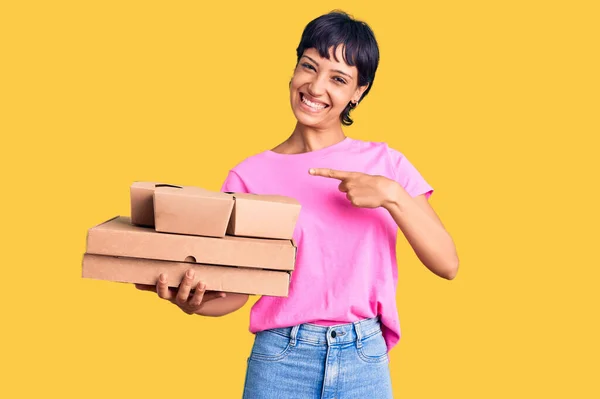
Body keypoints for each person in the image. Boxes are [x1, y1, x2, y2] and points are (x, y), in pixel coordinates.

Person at [136, 10, 459, 398]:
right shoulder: (248, 177)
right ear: (294, 68)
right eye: (309, 66)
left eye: (338, 79)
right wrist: (191, 303)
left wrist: (392, 196)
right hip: (280, 360)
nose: (316, 86)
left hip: (364, 359)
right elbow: (237, 294)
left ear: (359, 92)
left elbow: (448, 264)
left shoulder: (386, 165)